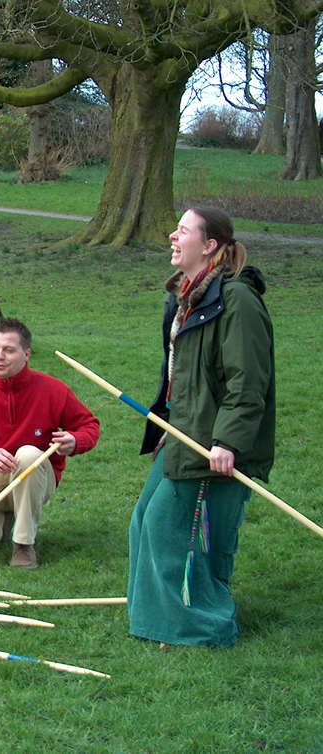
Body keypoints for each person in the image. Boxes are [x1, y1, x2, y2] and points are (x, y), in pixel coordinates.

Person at [128, 207, 274, 648]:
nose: (172, 235)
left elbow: (248, 381)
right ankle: (159, 618)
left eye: (183, 231)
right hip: (181, 434)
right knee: (145, 523)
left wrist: (227, 440)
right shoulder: (187, 295)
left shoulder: (237, 300)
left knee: (177, 531)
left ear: (209, 246)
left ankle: (200, 626)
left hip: (215, 444)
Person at [0, 318, 100, 569]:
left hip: (36, 475)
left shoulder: (53, 390)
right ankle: (4, 527)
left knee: (28, 455)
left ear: (27, 354)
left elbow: (90, 426)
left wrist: (75, 440)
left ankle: (23, 546)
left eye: (9, 350)